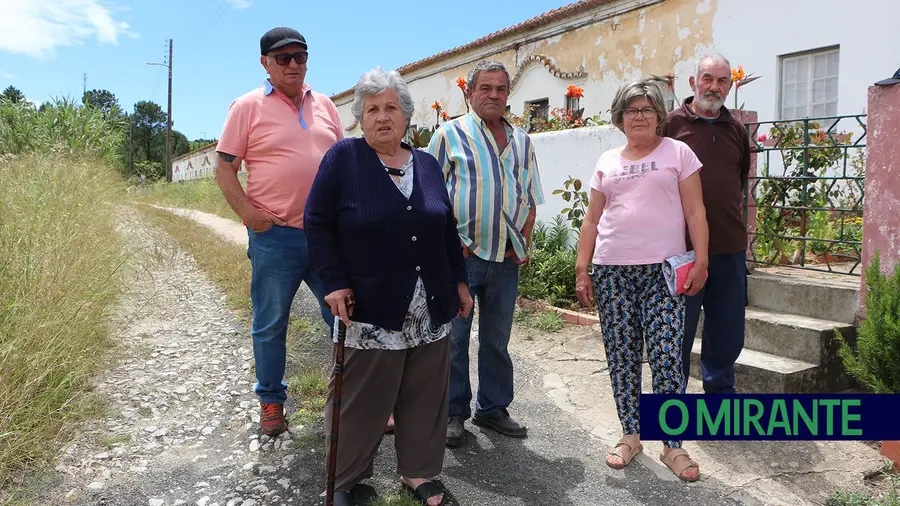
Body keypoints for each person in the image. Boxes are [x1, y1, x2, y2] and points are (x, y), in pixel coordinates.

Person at [304, 67, 472, 506]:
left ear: (406, 116)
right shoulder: (344, 159)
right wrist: (334, 281)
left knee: (424, 393)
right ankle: (344, 479)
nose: (383, 117)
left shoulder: (428, 164)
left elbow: (447, 230)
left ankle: (418, 473)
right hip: (371, 303)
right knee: (360, 397)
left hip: (429, 303)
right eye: (373, 108)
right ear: (361, 116)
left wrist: (459, 282)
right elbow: (317, 222)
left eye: (391, 108)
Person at [574, 77, 709, 482]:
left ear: (659, 116)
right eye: (632, 110)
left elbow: (696, 212)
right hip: (612, 270)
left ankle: (672, 445)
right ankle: (631, 435)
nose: (639, 116)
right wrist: (583, 268)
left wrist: (701, 260)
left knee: (667, 355)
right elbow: (592, 219)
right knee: (622, 355)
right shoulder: (607, 161)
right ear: (619, 117)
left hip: (663, 271)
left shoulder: (678, 153)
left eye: (647, 109)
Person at [215, 27, 342, 436]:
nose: (293, 64)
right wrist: (249, 215)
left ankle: (355, 398)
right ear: (265, 63)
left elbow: (341, 163)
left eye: (300, 56)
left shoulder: (325, 104)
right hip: (276, 236)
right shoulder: (247, 106)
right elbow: (225, 167)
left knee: (344, 318)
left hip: (326, 237)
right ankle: (271, 404)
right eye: (282, 57)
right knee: (271, 324)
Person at [426, 60, 545, 447]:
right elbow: (427, 195)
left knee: (497, 338)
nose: (494, 95)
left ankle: (492, 409)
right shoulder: (448, 135)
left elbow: (530, 196)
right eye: (486, 88)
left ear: (508, 95)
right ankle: (451, 413)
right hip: (460, 257)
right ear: (470, 92)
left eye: (500, 89)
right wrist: (446, 244)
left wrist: (523, 241)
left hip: (505, 258)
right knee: (454, 338)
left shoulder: (523, 141)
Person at [660, 53, 751, 394]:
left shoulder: (736, 130)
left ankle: (719, 396)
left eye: (722, 80)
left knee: (727, 330)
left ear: (730, 85)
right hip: (681, 250)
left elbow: (739, 179)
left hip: (729, 247)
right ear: (693, 82)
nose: (714, 87)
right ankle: (674, 399)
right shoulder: (670, 126)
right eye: (708, 78)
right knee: (677, 330)